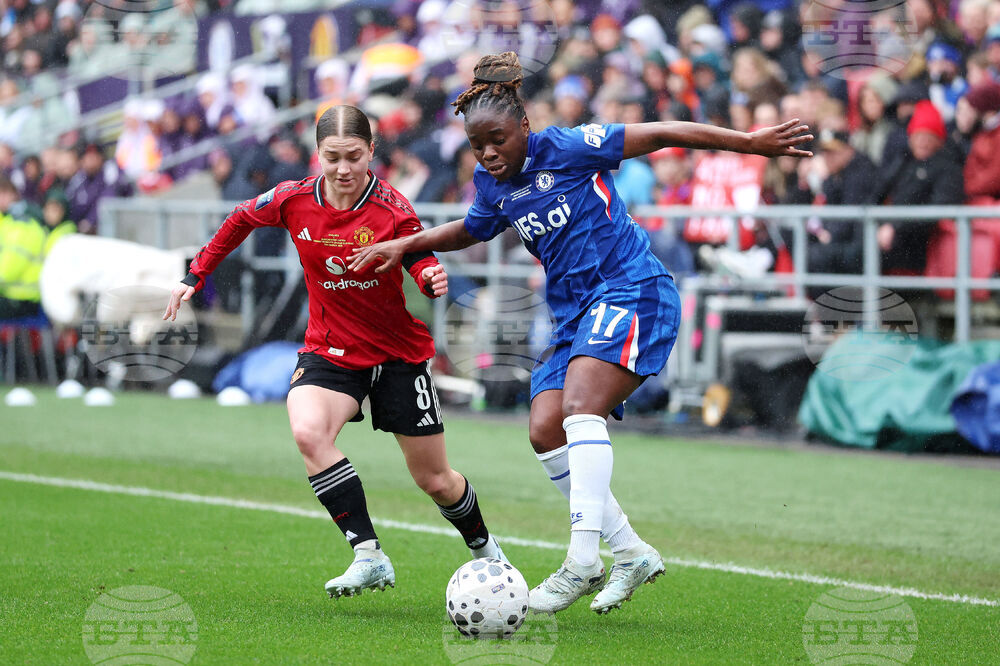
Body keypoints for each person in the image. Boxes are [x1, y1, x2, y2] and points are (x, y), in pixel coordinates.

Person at [348, 52, 812, 615]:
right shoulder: (493, 185)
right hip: (574, 315)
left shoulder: (565, 147)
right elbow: (472, 229)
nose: (489, 153)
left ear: (525, 127)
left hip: (630, 288)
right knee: (545, 430)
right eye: (478, 146)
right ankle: (632, 552)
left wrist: (750, 142)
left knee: (580, 408)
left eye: (498, 139)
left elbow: (664, 131)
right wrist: (406, 244)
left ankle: (582, 559)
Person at [162, 105, 507, 599]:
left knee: (435, 479)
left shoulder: (391, 208)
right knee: (307, 432)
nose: (343, 168)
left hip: (396, 355)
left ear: (372, 152)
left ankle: (487, 553)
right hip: (331, 348)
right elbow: (239, 219)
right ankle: (368, 555)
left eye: (353, 156)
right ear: (316, 155)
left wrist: (430, 278)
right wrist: (196, 273)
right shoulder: (293, 198)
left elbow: (419, 256)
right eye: (332, 157)